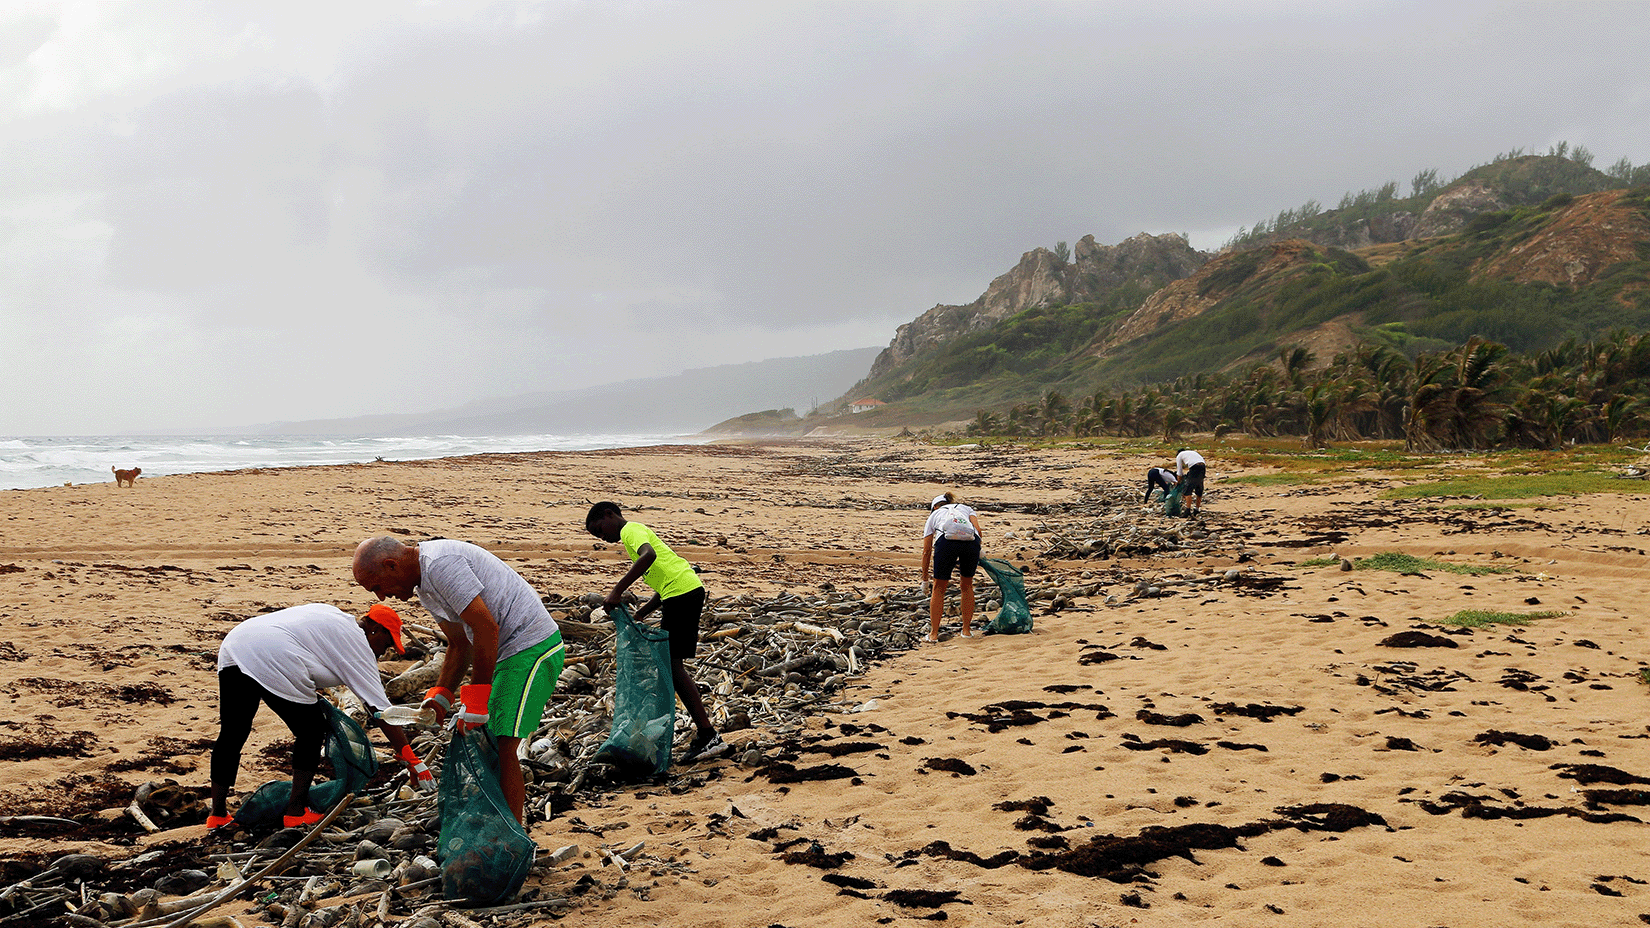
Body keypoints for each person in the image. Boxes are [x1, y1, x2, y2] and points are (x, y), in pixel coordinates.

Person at [352, 536, 564, 825]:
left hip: (531, 647)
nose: (380, 597)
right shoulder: (425, 585)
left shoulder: (440, 565)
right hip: (507, 654)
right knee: (488, 741)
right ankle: (498, 823)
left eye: (377, 587)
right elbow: (459, 643)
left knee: (503, 743)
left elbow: (487, 628)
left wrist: (476, 702)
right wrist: (441, 697)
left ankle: (512, 834)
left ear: (391, 565)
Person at [208, 603, 431, 831]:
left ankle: (217, 815)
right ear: (375, 628)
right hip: (275, 654)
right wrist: (412, 760)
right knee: (312, 730)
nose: (385, 652)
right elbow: (382, 711)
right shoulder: (358, 644)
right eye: (387, 643)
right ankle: (295, 812)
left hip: (237, 643)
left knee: (233, 732)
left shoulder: (333, 615)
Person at [585, 501, 728, 763]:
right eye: (597, 537)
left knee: (673, 667)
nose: (603, 537)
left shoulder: (631, 531)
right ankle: (706, 734)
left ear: (610, 515)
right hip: (680, 592)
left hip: (682, 594)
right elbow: (664, 580)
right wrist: (643, 613)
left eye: (600, 529)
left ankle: (709, 736)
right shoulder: (631, 539)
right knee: (671, 666)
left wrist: (617, 590)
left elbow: (649, 556)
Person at [921, 492, 983, 643]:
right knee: (967, 585)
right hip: (971, 542)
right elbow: (978, 531)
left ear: (935, 507)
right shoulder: (966, 508)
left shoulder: (934, 515)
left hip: (946, 542)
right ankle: (966, 631)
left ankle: (934, 634)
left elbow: (926, 550)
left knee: (939, 588)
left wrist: (925, 579)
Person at [1175, 448, 1207, 514]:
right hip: (1203, 466)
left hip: (1194, 467)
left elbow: (1179, 472)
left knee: (1188, 489)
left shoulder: (1179, 456)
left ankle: (1188, 510)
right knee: (1199, 487)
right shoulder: (1191, 452)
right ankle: (1197, 509)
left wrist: (1178, 482)